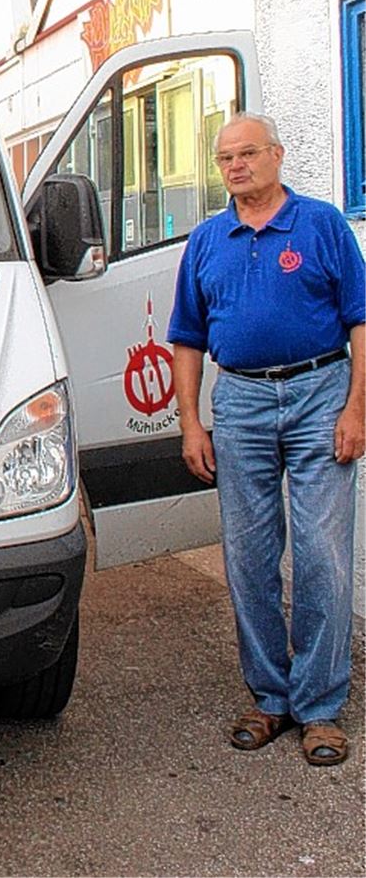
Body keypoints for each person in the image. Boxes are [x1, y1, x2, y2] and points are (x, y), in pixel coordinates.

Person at [168, 113, 365, 767]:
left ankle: (319, 707)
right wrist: (190, 421)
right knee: (248, 558)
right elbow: (187, 338)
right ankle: (271, 696)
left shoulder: (322, 225)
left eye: (248, 153)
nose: (236, 166)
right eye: (225, 158)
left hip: (319, 394)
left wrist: (358, 409)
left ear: (277, 155)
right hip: (242, 402)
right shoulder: (207, 240)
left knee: (321, 555)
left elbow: (361, 320)